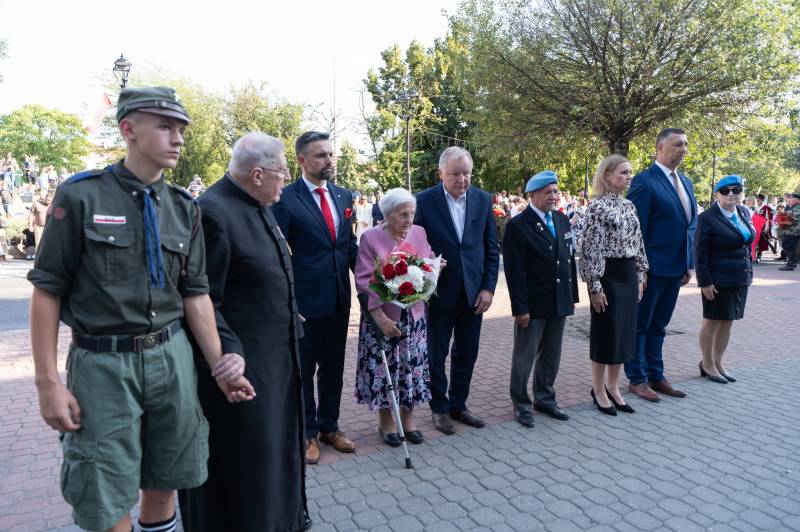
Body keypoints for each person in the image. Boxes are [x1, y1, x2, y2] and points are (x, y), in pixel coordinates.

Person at [27, 86, 254, 532]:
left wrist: (219, 368)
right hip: (104, 365)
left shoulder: (183, 208)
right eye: (165, 127)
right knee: (105, 488)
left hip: (171, 358)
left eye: (181, 129)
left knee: (167, 477)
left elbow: (195, 294)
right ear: (128, 129)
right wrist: (47, 383)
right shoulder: (81, 197)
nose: (178, 138)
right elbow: (47, 290)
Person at [179, 133, 311, 532]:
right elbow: (201, 297)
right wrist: (228, 353)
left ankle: (282, 519)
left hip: (275, 357)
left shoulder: (256, 204)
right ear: (257, 174)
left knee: (274, 451)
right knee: (247, 462)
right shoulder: (214, 212)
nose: (285, 181)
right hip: (241, 366)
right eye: (282, 173)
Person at [273, 131, 358, 464]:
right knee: (305, 370)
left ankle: (329, 427)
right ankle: (307, 432)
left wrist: (374, 282)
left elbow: (348, 247)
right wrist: (287, 302)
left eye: (330, 154)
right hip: (305, 303)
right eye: (321, 155)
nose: (329, 160)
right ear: (302, 160)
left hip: (339, 299)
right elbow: (279, 254)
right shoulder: (285, 199)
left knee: (333, 369)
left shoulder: (343, 195)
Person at [414, 146, 500, 434]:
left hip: (474, 293)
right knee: (435, 353)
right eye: (454, 174)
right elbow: (412, 246)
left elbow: (491, 248)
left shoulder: (483, 200)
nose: (462, 179)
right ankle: (439, 408)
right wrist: (428, 265)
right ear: (441, 173)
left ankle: (458, 404)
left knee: (467, 352)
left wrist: (488, 288)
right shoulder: (424, 202)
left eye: (466, 173)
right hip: (439, 292)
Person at [354, 187, 438, 446]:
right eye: (403, 215)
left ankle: (408, 419)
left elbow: (427, 261)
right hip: (384, 318)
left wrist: (434, 266)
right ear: (388, 215)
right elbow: (364, 281)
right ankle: (386, 422)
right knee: (385, 368)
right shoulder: (370, 238)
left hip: (414, 317)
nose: (409, 220)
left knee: (411, 367)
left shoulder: (419, 232)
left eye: (411, 213)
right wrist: (380, 319)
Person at [626, 128, 698, 402]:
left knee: (659, 325)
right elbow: (636, 230)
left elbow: (688, 227)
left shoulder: (686, 182)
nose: (683, 149)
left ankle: (656, 375)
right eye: (678, 144)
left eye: (686, 144)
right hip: (652, 269)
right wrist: (640, 269)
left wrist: (687, 264)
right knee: (640, 325)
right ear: (659, 148)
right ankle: (637, 378)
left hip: (676, 268)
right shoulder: (645, 181)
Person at [503, 171, 578, 427]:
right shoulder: (518, 225)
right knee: (525, 356)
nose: (554, 196)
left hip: (559, 299)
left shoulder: (561, 219)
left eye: (555, 191)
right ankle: (521, 403)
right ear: (532, 195)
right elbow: (515, 271)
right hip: (533, 303)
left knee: (551, 354)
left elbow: (568, 258)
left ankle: (545, 398)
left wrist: (572, 295)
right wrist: (520, 308)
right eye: (548, 192)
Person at [579, 156, 648, 415]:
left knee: (624, 333)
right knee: (606, 332)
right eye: (623, 172)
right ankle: (598, 389)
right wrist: (594, 285)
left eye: (630, 172)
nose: (629, 177)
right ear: (607, 175)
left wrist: (640, 275)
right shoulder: (596, 207)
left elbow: (638, 242)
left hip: (629, 273)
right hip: (607, 274)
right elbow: (589, 247)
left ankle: (613, 386)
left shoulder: (629, 205)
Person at [694, 175, 754, 386]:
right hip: (717, 279)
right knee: (711, 320)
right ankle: (707, 363)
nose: (731, 194)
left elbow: (746, 243)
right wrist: (705, 281)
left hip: (740, 276)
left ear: (741, 193)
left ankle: (718, 362)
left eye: (736, 190)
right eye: (725, 190)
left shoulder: (743, 212)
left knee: (728, 320)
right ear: (716, 195)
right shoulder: (707, 218)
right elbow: (700, 253)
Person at [778, 192, 800, 271]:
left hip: (794, 231)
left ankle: (791, 264)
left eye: (790, 198)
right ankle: (792, 263)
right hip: (791, 231)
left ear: (796, 200)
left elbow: (794, 219)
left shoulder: (797, 207)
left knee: (789, 246)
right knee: (788, 246)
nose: (788, 200)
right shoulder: (794, 207)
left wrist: (783, 219)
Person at [28, 189, 52, 257]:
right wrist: (30, 225)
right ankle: (38, 258)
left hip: (49, 227)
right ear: (45, 198)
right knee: (38, 243)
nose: (48, 202)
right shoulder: (36, 203)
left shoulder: (53, 204)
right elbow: (31, 214)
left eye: (50, 201)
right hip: (38, 226)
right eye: (48, 200)